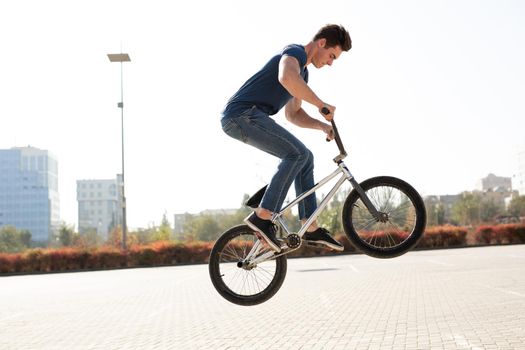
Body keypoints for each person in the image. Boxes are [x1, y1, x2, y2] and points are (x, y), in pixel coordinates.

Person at [221, 24, 352, 253]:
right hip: (242, 114)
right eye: (332, 56)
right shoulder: (295, 53)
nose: (331, 63)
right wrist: (320, 104)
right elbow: (286, 77)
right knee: (296, 154)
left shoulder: (304, 73)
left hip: (249, 117)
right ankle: (263, 216)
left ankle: (309, 225)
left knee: (305, 157)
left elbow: (293, 114)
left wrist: (321, 125)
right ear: (321, 43)